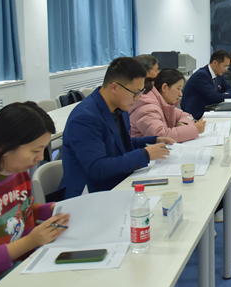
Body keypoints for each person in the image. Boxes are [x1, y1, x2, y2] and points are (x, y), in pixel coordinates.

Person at [0, 102, 71, 287]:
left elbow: (21, 211)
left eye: (43, 149)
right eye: (35, 150)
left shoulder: (16, 171)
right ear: (4, 146)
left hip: (25, 268)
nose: (40, 157)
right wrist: (29, 242)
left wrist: (52, 210)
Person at [60, 57, 175, 199]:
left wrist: (154, 140)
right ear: (114, 87)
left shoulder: (119, 107)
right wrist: (145, 155)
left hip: (118, 182)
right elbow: (98, 169)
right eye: (135, 92)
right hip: (91, 196)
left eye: (141, 92)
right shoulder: (85, 118)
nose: (138, 98)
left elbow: (120, 143)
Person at [129, 68, 207, 143]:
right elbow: (161, 136)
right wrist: (194, 129)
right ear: (164, 87)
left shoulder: (163, 104)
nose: (181, 94)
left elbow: (187, 116)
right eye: (178, 89)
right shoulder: (148, 108)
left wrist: (182, 125)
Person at [181, 50, 231, 119]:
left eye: (227, 66)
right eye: (225, 66)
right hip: (196, 115)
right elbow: (214, 96)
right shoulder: (201, 75)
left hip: (211, 109)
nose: (226, 69)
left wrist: (223, 95)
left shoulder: (218, 74)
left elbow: (230, 88)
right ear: (215, 63)